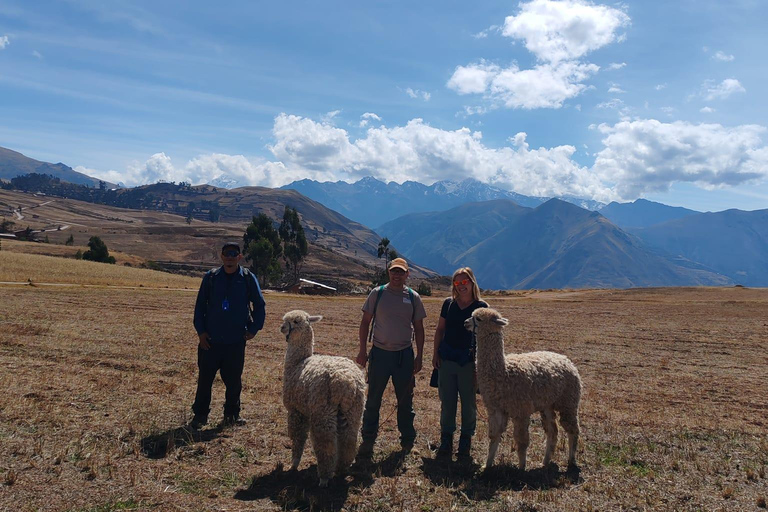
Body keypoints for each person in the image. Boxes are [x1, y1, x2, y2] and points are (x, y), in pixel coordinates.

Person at [190, 241, 266, 429]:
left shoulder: (248, 278)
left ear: (239, 257)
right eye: (227, 254)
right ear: (221, 257)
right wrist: (201, 333)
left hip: (235, 342)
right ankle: (200, 416)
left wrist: (254, 329)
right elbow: (199, 307)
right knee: (204, 381)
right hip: (210, 342)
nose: (230, 257)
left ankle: (232, 415)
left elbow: (260, 305)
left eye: (234, 254)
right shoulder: (211, 278)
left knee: (234, 383)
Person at [356, 258, 427, 455]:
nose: (397, 275)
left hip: (404, 356)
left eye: (401, 272)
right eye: (394, 272)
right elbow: (364, 323)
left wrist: (419, 356)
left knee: (405, 400)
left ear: (407, 274)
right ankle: (368, 436)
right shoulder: (377, 294)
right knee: (373, 399)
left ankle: (407, 439)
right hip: (379, 354)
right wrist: (362, 351)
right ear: (389, 273)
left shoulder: (413, 297)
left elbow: (420, 329)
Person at [431, 267, 487, 459]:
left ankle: (465, 442)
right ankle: (446, 440)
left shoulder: (481, 307)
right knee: (447, 402)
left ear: (472, 282)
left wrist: (480, 366)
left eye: (465, 282)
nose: (461, 286)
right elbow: (440, 330)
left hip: (469, 363)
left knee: (469, 403)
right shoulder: (448, 304)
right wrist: (435, 353)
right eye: (457, 283)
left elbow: (486, 339)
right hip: (446, 360)